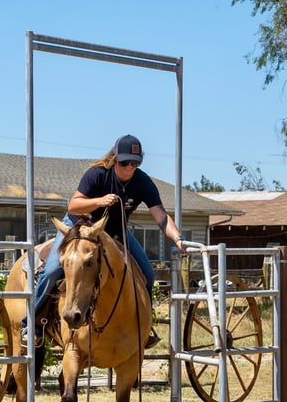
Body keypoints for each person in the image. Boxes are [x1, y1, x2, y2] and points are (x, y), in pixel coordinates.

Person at [22, 134, 187, 349]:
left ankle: (143, 327)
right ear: (114, 158)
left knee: (148, 274)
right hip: (79, 228)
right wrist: (99, 201)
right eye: (125, 162)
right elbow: (73, 206)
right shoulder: (97, 174)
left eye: (135, 163)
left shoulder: (143, 182)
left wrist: (178, 238)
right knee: (53, 269)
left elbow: (161, 216)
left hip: (114, 233)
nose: (129, 167)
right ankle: (31, 323)